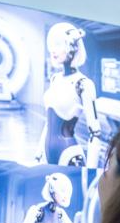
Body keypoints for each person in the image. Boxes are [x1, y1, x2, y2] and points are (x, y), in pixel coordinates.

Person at [34, 22, 103, 167]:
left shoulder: (83, 84)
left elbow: (95, 133)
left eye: (58, 45)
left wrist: (90, 172)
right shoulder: (55, 79)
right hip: (46, 153)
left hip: (69, 154)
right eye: (52, 45)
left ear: (72, 46)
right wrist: (38, 153)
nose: (53, 50)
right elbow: (49, 122)